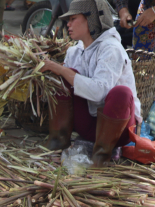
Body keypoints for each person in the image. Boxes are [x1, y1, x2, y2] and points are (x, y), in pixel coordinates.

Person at [42, 0, 141, 167]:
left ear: (92, 19)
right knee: (60, 79)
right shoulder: (74, 51)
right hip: (88, 126)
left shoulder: (112, 49)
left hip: (120, 132)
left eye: (73, 18)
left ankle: (100, 158)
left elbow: (99, 93)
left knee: (121, 93)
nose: (69, 24)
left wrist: (62, 70)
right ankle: (57, 145)